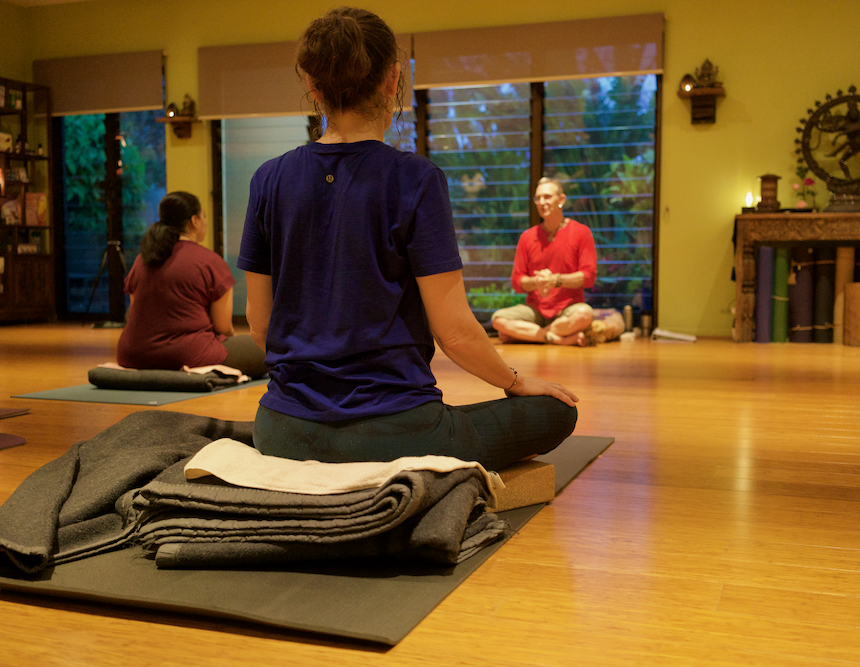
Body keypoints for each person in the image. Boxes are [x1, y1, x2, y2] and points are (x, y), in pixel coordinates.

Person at [237, 7, 578, 472]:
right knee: (556, 411)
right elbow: (454, 332)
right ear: (393, 79)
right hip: (395, 433)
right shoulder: (415, 179)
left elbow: (260, 327)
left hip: (281, 431)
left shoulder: (268, 179)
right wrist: (516, 380)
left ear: (313, 87)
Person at [117, 191, 267, 378]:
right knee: (268, 347)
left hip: (132, 355)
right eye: (204, 216)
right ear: (194, 221)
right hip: (189, 355)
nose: (205, 222)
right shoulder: (209, 261)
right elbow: (223, 328)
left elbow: (134, 310)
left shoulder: (142, 260)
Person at [491, 177, 597, 346]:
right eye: (537, 198)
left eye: (547, 197)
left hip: (567, 309)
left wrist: (555, 280)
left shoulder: (581, 232)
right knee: (498, 320)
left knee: (585, 314)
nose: (541, 202)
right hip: (535, 311)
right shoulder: (527, 237)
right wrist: (538, 282)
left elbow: (588, 277)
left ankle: (531, 335)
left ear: (561, 199)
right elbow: (518, 281)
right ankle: (561, 339)